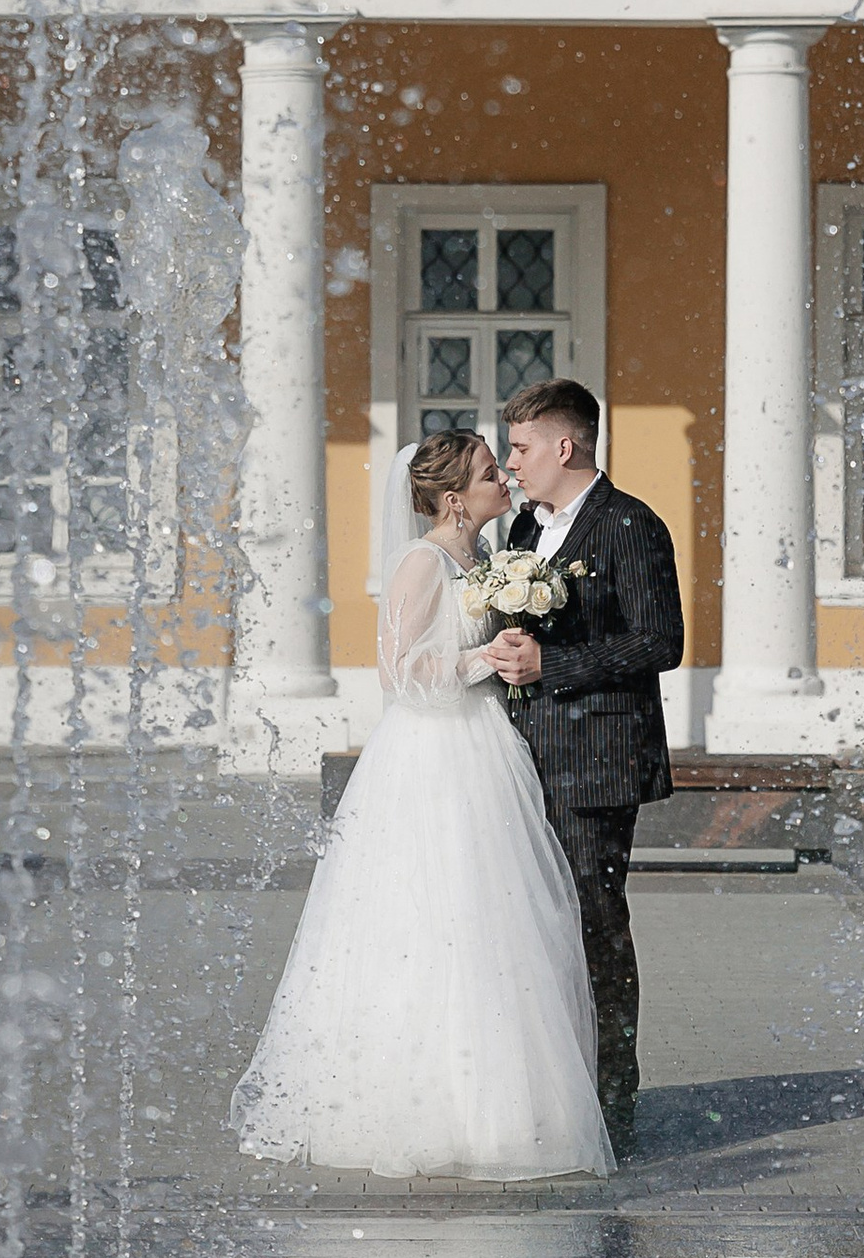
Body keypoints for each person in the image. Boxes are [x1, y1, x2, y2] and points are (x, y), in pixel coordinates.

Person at [230, 429, 612, 1182]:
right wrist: (482, 657)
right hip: (430, 757)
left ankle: (499, 1100)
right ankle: (418, 1098)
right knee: (428, 919)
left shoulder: (486, 558)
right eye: (485, 471)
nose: (502, 476)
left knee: (492, 921)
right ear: (452, 499)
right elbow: (399, 673)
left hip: (485, 748)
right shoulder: (421, 561)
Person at [482, 378, 684, 1155]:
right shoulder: (525, 534)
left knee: (594, 925)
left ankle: (612, 1100)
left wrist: (553, 664)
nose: (513, 462)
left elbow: (659, 641)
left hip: (597, 760)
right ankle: (556, 1084)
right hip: (525, 756)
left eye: (523, 446)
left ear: (566, 445)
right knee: (539, 926)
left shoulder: (631, 524)